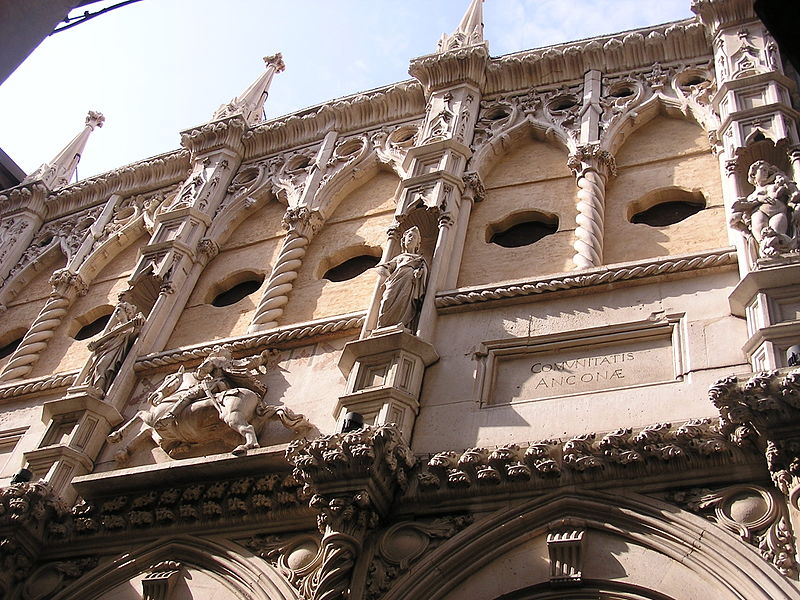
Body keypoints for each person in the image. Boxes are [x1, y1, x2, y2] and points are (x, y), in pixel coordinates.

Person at [731, 160, 800, 256]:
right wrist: (759, 199)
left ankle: (779, 255)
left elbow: (794, 193)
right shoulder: (752, 195)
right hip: (759, 213)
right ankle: (765, 255)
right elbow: (738, 211)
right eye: (763, 170)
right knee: (762, 238)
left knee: (777, 236)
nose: (766, 173)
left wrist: (784, 181)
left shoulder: (774, 185)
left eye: (767, 171)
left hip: (778, 212)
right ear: (754, 174)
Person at [84, 301, 144, 392]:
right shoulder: (114, 327)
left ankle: (99, 389)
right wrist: (96, 345)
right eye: (115, 311)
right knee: (97, 367)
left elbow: (131, 340)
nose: (116, 313)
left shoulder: (129, 326)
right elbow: (106, 339)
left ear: (126, 312)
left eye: (118, 310)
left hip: (116, 350)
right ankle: (93, 387)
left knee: (101, 366)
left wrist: (137, 329)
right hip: (105, 350)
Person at [376, 226, 428, 329]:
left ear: (418, 243)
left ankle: (403, 323)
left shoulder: (419, 259)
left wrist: (418, 273)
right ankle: (383, 325)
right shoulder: (399, 257)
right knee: (387, 299)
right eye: (409, 236)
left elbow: (423, 271)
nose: (411, 239)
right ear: (403, 241)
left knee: (404, 302)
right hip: (394, 281)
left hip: (408, 282)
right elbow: (386, 267)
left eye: (414, 237)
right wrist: (386, 272)